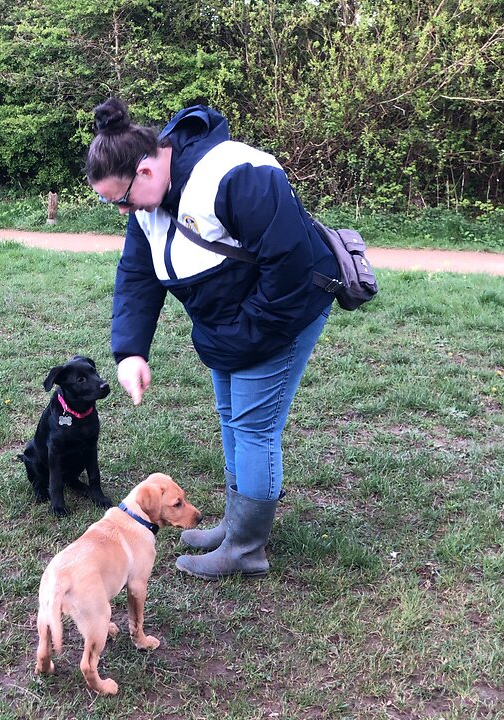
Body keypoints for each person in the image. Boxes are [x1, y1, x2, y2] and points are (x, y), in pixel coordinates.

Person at [86, 97, 338, 580]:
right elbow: (137, 275)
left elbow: (289, 268)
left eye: (121, 199)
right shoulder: (148, 202)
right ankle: (234, 527)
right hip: (230, 326)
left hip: (282, 317)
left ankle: (246, 549)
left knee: (254, 428)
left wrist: (245, 337)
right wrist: (130, 351)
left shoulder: (236, 175)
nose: (122, 211)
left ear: (144, 171)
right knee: (232, 418)